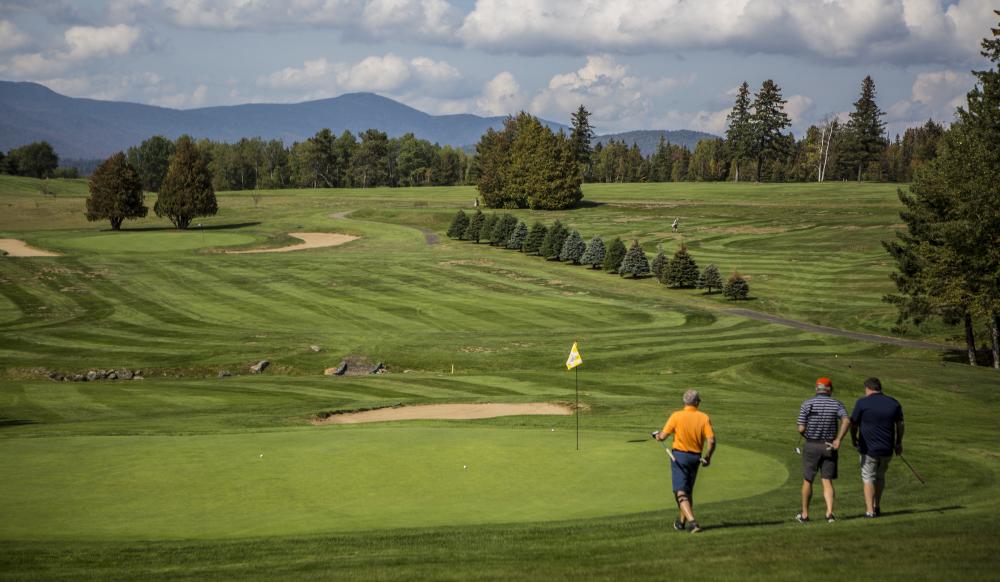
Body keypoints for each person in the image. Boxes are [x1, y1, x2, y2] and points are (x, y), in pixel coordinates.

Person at [653, 389, 716, 533]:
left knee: (680, 492)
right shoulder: (704, 417)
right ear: (696, 402)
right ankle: (681, 523)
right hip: (695, 458)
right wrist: (708, 457)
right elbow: (711, 441)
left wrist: (657, 436)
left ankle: (693, 523)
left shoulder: (676, 416)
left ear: (685, 402)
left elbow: (662, 436)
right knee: (687, 492)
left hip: (679, 457)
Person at [795, 377, 850, 523]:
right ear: (830, 390)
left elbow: (801, 427)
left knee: (808, 480)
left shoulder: (807, 404)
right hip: (829, 446)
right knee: (827, 480)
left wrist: (804, 433)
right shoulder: (836, 403)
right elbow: (846, 420)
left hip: (811, 445)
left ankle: (805, 515)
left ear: (816, 389)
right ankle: (829, 513)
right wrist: (838, 439)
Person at [850, 377, 904, 518]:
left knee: (868, 477)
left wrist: (853, 439)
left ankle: (869, 511)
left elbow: (853, 424)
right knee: (880, 476)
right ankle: (877, 506)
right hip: (887, 448)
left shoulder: (862, 402)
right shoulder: (893, 403)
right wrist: (899, 443)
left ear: (868, 388)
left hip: (868, 449)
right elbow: (900, 425)